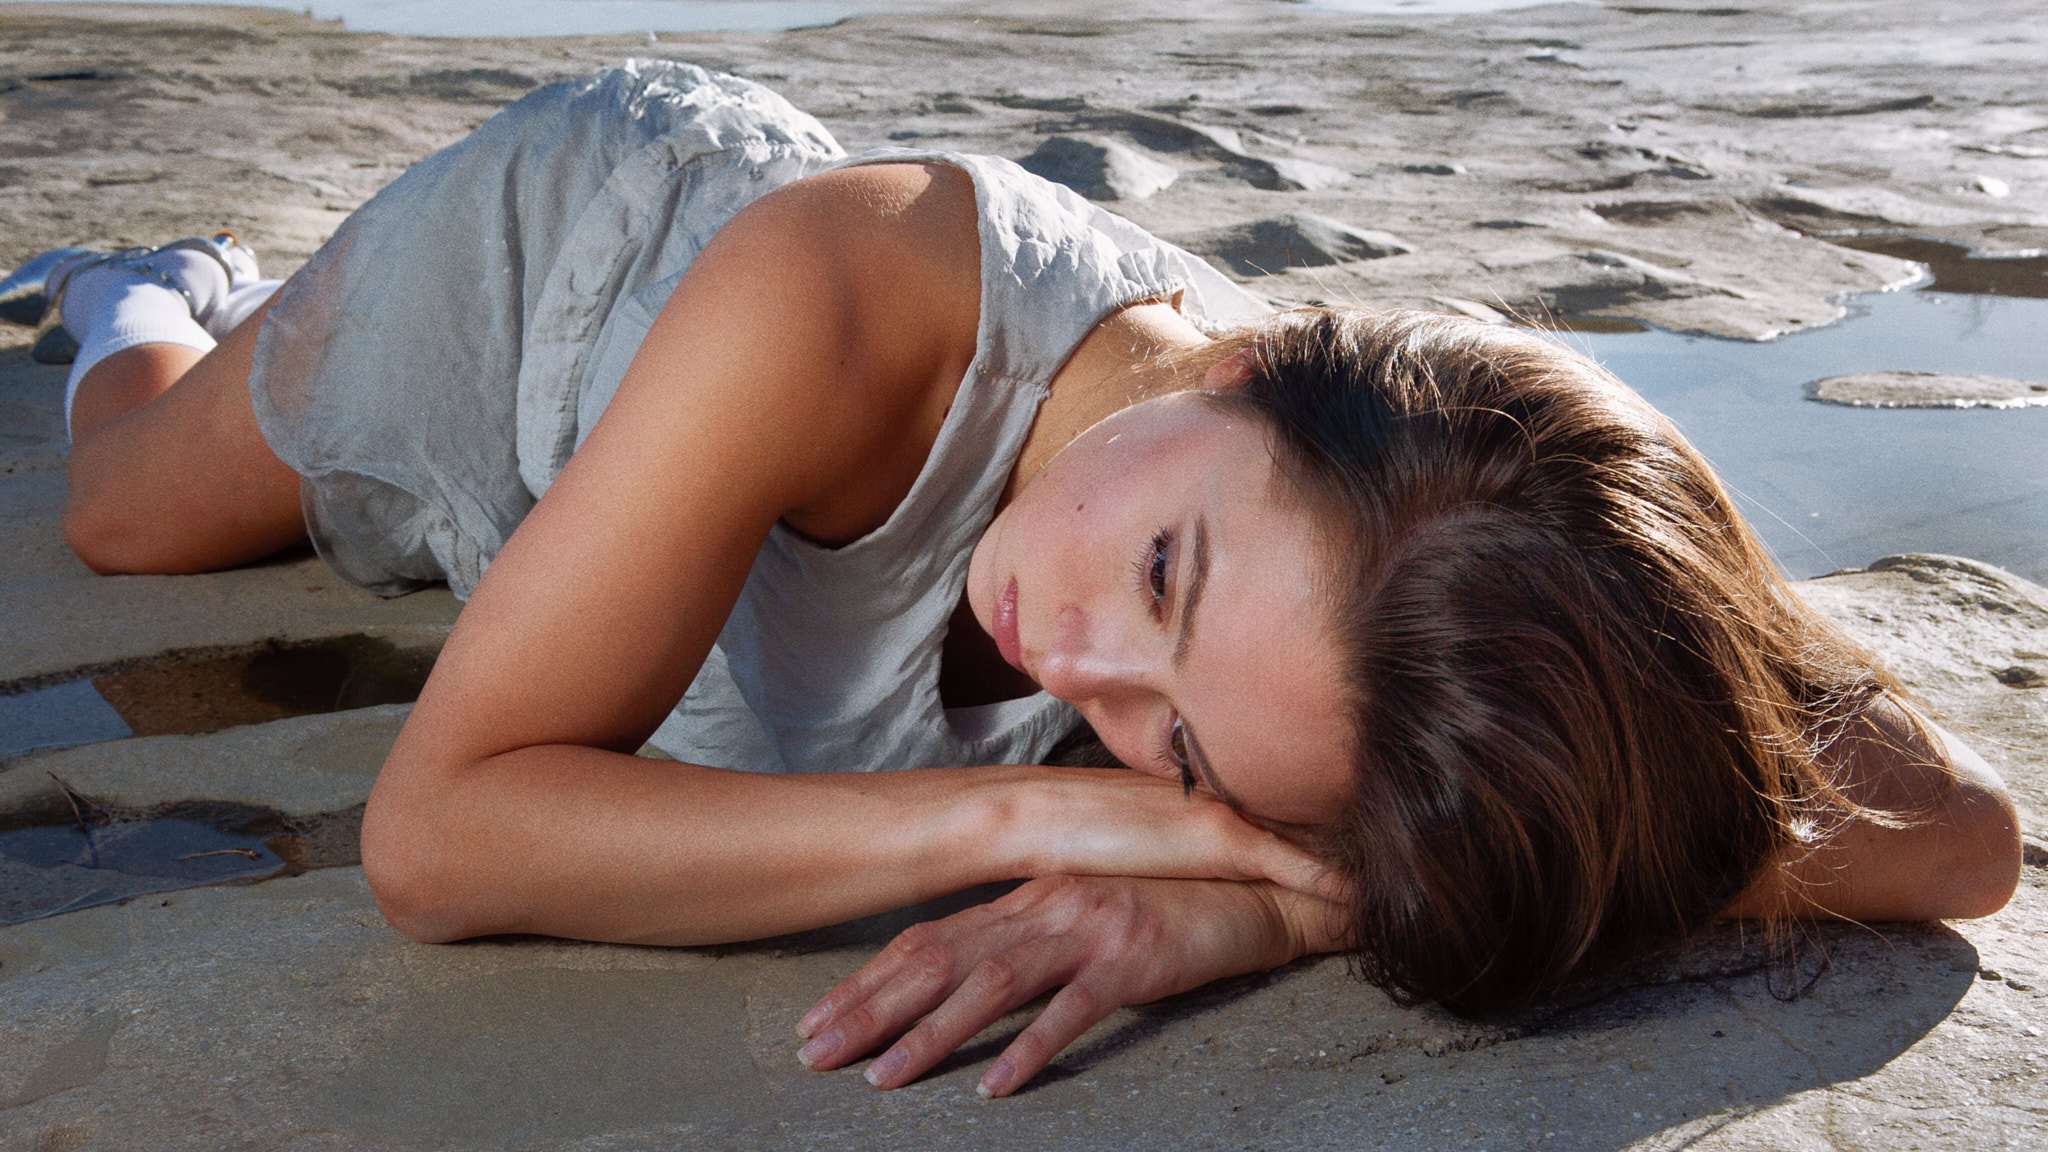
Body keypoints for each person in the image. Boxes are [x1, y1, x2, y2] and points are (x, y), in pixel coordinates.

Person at [4, 60, 2019, 1098]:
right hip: (563, 270)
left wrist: (1300, 894)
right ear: (1242, 367)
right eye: (1164, 564)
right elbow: (441, 843)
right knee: (134, 508)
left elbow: (1948, 834)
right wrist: (1060, 813)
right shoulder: (841, 294)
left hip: (626, 488)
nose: (1073, 652)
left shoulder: (1439, 582)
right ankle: (140, 292)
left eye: (1179, 743)